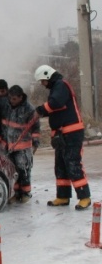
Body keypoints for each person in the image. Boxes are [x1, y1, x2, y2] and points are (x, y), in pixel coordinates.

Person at [33, 65, 91, 210]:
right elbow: (56, 108)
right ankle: (63, 196)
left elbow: (56, 103)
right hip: (61, 134)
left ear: (47, 76)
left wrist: (40, 110)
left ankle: (85, 197)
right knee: (61, 166)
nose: (42, 84)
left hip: (72, 133)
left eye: (42, 81)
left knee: (73, 163)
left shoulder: (61, 85)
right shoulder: (56, 87)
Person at [0, 85, 40, 203]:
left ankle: (25, 192)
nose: (12, 101)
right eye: (10, 98)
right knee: (11, 170)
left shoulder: (29, 109)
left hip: (22, 146)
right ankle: (14, 193)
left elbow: (35, 127)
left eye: (14, 99)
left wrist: (36, 141)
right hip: (7, 145)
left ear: (21, 97)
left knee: (23, 169)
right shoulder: (4, 103)